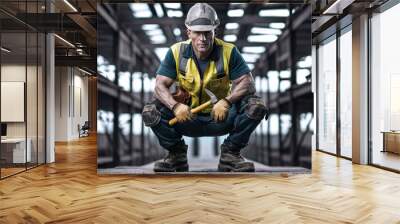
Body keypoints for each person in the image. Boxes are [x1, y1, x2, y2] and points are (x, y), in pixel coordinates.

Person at [142, 3, 268, 172]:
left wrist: (227, 101)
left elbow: (248, 82)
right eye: (197, 32)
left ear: (214, 31)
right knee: (151, 111)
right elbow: (159, 86)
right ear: (189, 32)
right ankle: (176, 155)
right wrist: (175, 105)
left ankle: (230, 154)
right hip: (187, 118)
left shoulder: (229, 52)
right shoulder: (176, 52)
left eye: (207, 32)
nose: (203, 38)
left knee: (256, 105)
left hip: (222, 117)